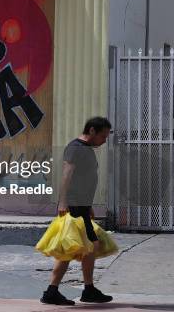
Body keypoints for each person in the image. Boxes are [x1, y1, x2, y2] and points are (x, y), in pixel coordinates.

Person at [40, 117, 114, 305]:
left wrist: (87, 205)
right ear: (91, 131)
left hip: (81, 205)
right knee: (73, 248)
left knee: (89, 247)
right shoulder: (76, 148)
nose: (104, 140)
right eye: (103, 136)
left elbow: (84, 179)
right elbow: (67, 174)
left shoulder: (86, 149)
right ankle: (52, 291)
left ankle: (87, 289)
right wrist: (63, 202)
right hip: (72, 206)